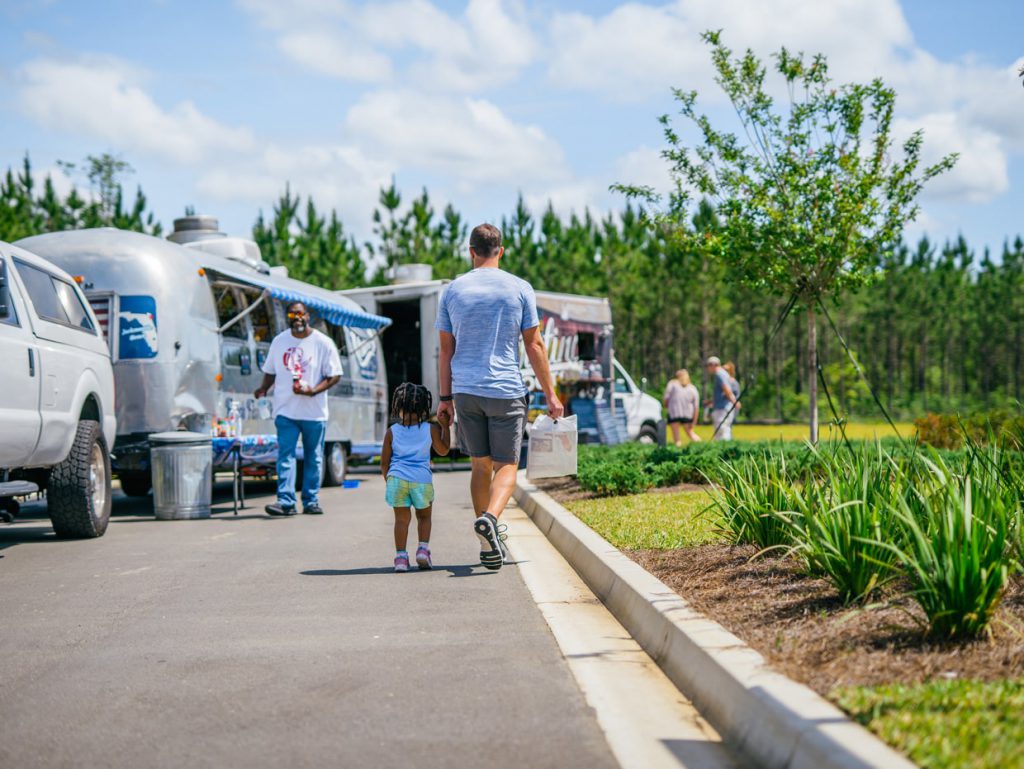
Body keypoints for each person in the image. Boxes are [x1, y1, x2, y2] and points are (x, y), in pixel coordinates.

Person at [435, 223, 563, 571]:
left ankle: (486, 540)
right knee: (507, 465)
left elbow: (445, 351)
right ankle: (490, 520)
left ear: (471, 251)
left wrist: (444, 398)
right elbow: (534, 344)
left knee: (480, 464)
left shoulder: (452, 291)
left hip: (466, 390)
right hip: (506, 390)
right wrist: (550, 393)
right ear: (501, 251)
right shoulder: (519, 288)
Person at [254, 301, 342, 516]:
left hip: (314, 412)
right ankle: (286, 502)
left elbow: (335, 375)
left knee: (314, 457)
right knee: (286, 456)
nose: (297, 318)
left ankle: (311, 501)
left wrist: (313, 391)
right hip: (286, 410)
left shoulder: (323, 343)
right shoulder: (279, 341)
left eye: (301, 314)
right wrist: (263, 388)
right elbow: (271, 370)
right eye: (293, 315)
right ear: (288, 318)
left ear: (307, 317)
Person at [380, 383, 451, 572]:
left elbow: (384, 463)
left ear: (398, 407)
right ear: (423, 409)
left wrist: (390, 480)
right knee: (424, 517)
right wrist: (445, 427)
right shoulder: (430, 429)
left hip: (397, 479)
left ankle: (401, 558)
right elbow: (443, 451)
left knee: (401, 520)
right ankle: (422, 549)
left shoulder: (391, 431)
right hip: (421, 480)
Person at [704, 356, 740, 441]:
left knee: (722, 431)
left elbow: (726, 389)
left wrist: (734, 401)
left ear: (713, 365)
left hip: (722, 408)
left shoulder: (719, 374)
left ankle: (724, 451)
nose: (707, 369)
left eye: (708, 366)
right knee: (722, 431)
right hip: (723, 406)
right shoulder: (723, 374)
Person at [663, 369, 700, 446]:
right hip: (687, 414)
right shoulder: (692, 388)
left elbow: (666, 399)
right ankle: (702, 445)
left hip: (674, 413)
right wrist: (694, 421)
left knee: (677, 438)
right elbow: (696, 407)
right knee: (690, 433)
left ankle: (677, 453)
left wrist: (666, 407)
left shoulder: (672, 384)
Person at [723, 361, 741, 434]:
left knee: (728, 426)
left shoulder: (733, 382)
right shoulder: (724, 381)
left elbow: (734, 395)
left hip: (731, 406)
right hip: (725, 406)